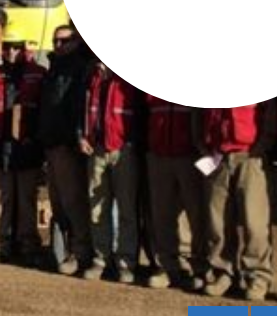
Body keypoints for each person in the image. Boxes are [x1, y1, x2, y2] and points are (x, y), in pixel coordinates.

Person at [200, 103, 277, 301]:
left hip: (249, 156)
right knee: (218, 221)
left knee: (254, 221)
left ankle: (257, 276)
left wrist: (262, 145)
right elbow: (198, 113)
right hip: (218, 156)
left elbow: (270, 112)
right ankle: (223, 272)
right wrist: (202, 146)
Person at [35, 23, 94, 276]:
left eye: (64, 41)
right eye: (55, 41)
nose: (58, 46)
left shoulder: (80, 70)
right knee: (58, 205)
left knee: (74, 203)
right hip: (50, 144)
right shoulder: (53, 70)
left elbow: (78, 110)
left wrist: (75, 139)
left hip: (68, 146)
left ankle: (80, 253)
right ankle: (60, 252)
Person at [80, 62, 144, 284]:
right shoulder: (93, 77)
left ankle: (126, 262)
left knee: (126, 208)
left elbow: (141, 113)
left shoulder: (131, 77)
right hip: (97, 149)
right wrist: (84, 136)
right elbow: (86, 111)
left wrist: (133, 143)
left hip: (123, 150)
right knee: (98, 207)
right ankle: (101, 259)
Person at [0, 30, 47, 267]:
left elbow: (45, 109)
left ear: (24, 48)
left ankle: (27, 244)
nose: (11, 52)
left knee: (26, 199)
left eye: (16, 47)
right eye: (7, 47)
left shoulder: (39, 75)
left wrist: (37, 140)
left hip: (27, 145)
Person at [144, 95, 205, 291]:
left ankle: (197, 266)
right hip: (159, 152)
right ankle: (167, 266)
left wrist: (202, 148)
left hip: (190, 154)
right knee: (162, 213)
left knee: (196, 214)